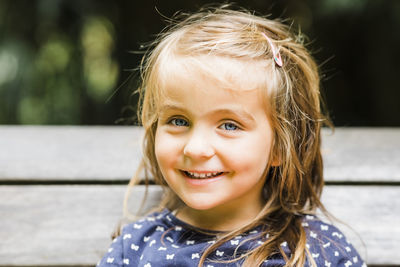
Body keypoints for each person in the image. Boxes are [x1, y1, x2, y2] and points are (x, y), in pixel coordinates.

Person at [98, 5, 366, 267]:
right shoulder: (136, 248)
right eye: (178, 121)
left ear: (279, 148)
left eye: (229, 125)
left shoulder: (320, 251)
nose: (195, 148)